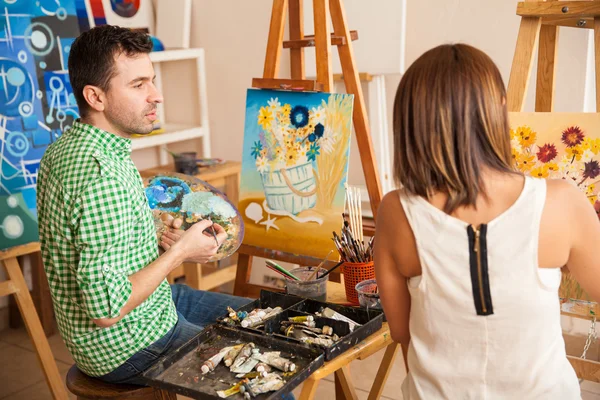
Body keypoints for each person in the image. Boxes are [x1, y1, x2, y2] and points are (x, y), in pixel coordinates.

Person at [374, 43, 598, 399]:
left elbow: (403, 334)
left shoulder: (395, 212)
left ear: (409, 121)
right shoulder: (561, 203)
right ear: (498, 110)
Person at [36, 25, 250, 385]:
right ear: (96, 97)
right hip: (127, 343)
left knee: (263, 314)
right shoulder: (100, 175)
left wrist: (155, 237)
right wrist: (180, 252)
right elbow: (106, 310)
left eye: (151, 80)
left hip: (145, 311)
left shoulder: (73, 147)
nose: (157, 95)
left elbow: (97, 244)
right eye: (138, 85)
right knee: (263, 375)